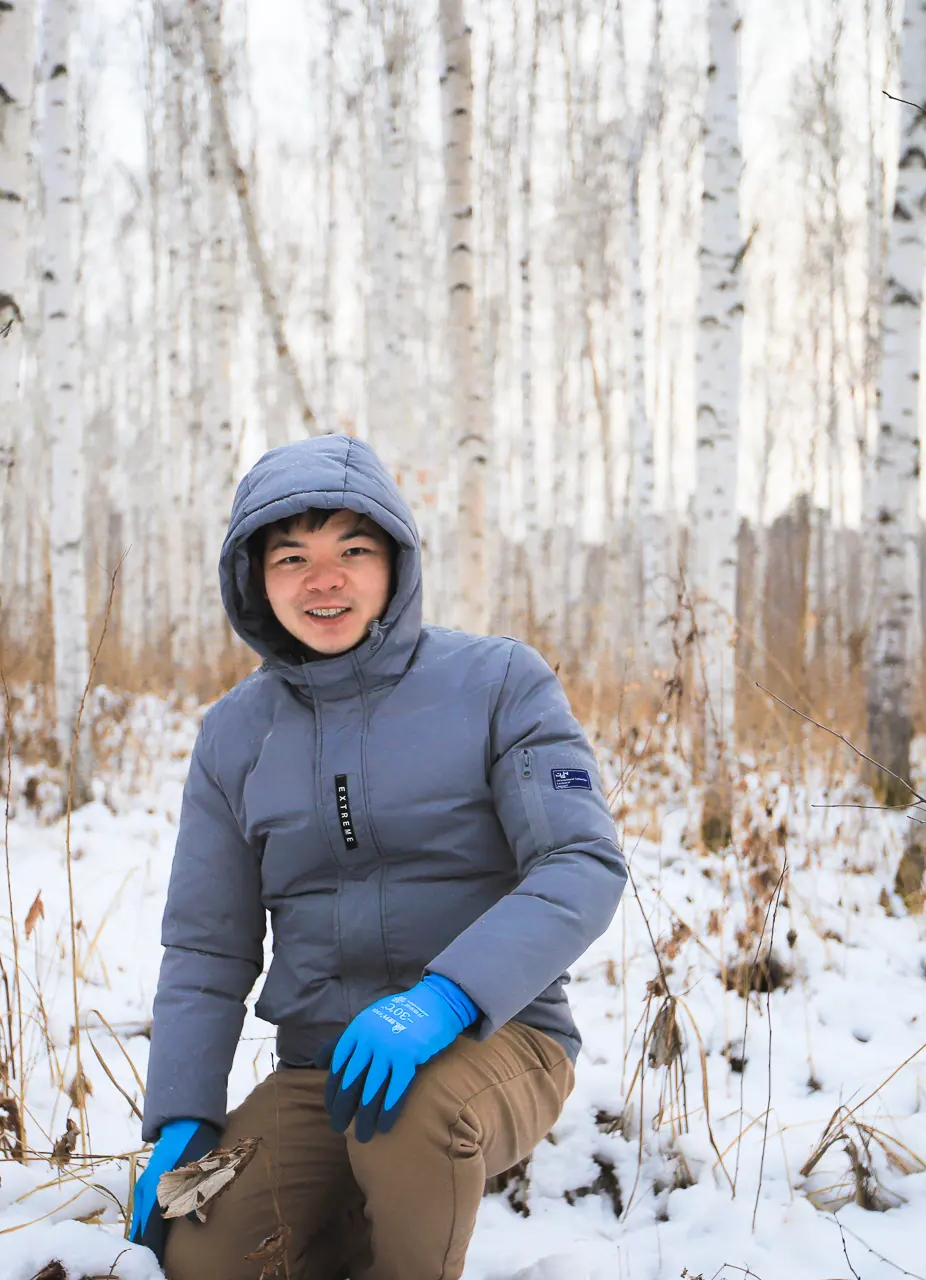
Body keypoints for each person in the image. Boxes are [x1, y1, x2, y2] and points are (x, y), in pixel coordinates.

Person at [127, 434, 627, 1279]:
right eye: (292, 557)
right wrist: (182, 1114)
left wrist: (446, 998)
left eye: (351, 550)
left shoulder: (500, 682)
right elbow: (208, 945)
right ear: (256, 581)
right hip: (321, 1070)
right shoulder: (233, 736)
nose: (324, 580)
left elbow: (582, 861)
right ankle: (371, 1215)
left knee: (417, 1112)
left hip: (497, 1039)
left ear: (396, 561)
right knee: (204, 1257)